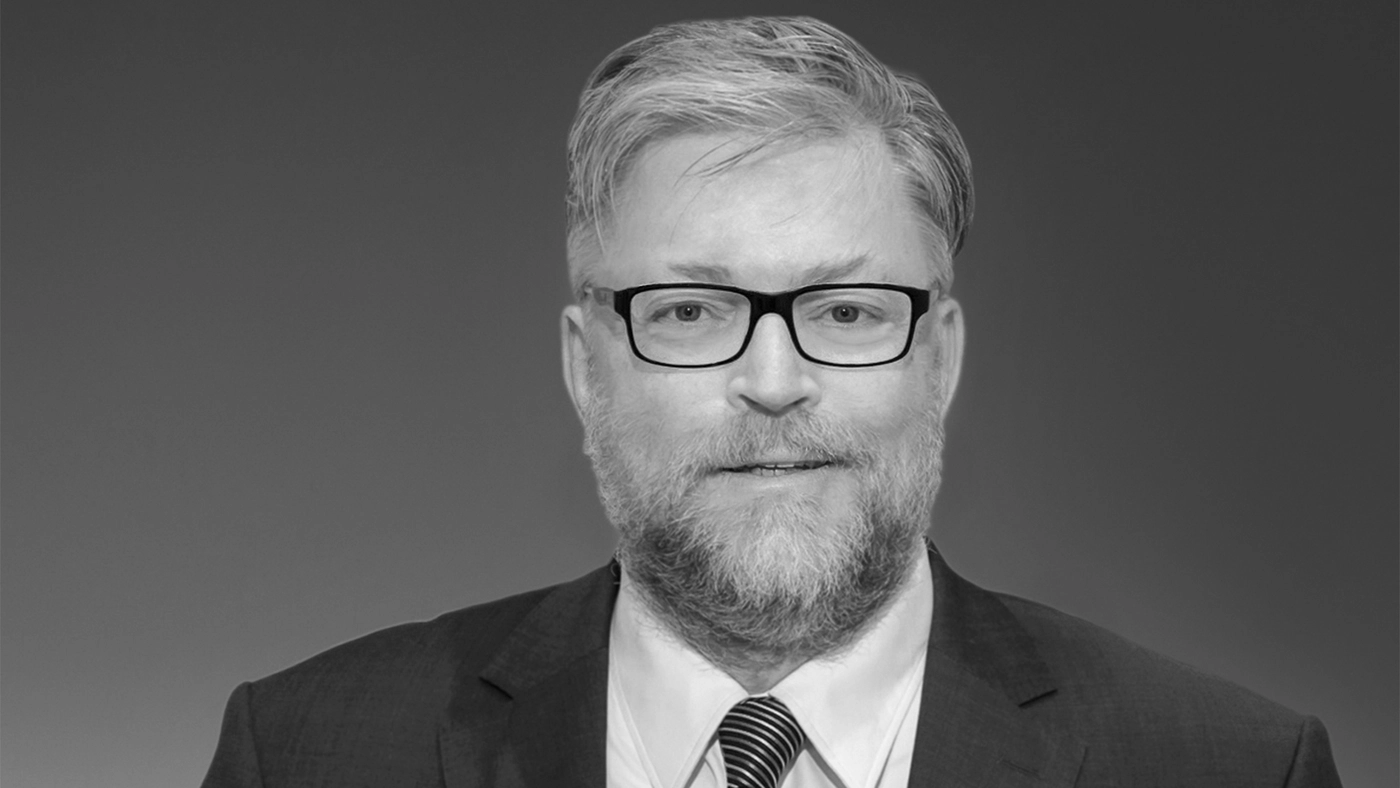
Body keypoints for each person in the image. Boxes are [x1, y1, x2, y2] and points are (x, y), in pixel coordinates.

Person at [201, 16, 1342, 788]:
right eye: (692, 311)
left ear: (939, 358)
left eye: (845, 310)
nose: (775, 381)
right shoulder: (306, 753)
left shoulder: (1230, 766)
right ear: (586, 367)